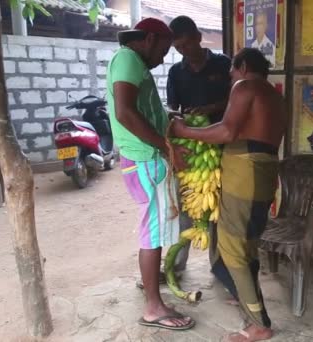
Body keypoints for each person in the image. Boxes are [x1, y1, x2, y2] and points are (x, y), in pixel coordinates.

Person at [171, 48, 287, 342]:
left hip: (244, 172)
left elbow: (226, 132)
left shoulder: (245, 86)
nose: (231, 77)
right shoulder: (275, 96)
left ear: (243, 66)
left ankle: (258, 324)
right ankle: (245, 295)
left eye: (233, 71)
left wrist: (184, 132)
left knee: (233, 246)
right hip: (263, 171)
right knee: (245, 243)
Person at [106, 17, 194, 331]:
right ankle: (154, 308)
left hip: (143, 157)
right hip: (144, 159)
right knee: (152, 234)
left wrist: (166, 118)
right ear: (149, 39)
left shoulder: (133, 63)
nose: (162, 59)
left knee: (153, 232)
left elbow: (140, 109)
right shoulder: (128, 59)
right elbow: (125, 112)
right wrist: (167, 147)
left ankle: (152, 293)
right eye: (163, 50)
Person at [166, 15, 233, 273]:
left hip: (221, 143)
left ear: (197, 37)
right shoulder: (176, 72)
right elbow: (173, 109)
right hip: (191, 147)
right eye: (178, 48)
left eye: (186, 45)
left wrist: (210, 108)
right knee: (187, 203)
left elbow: (234, 101)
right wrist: (182, 118)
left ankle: (219, 268)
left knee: (218, 206)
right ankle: (178, 265)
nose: (184, 51)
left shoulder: (223, 64)